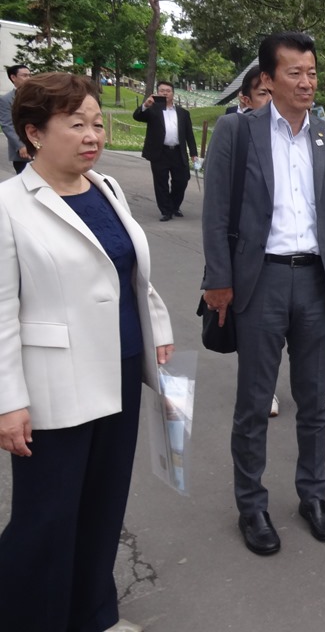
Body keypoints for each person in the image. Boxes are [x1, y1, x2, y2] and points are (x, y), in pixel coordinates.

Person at [0, 72, 174, 632]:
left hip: (119, 370)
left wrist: (157, 326)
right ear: (33, 133)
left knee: (104, 505)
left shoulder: (106, 188)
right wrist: (8, 402)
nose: (92, 135)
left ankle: (95, 616)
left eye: (97, 123)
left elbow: (129, 272)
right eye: (76, 124)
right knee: (46, 518)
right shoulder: (8, 205)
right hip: (53, 385)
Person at [202, 32, 325, 556]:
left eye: (312, 72)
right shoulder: (237, 131)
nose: (307, 82)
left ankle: (313, 496)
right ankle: (252, 505)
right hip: (260, 280)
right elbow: (216, 212)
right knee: (254, 402)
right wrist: (218, 280)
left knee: (313, 402)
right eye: (295, 73)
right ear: (267, 79)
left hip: (316, 281)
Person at [132, 81, 198, 221]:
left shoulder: (183, 113)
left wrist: (194, 154)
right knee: (161, 182)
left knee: (182, 180)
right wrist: (145, 105)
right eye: (162, 91)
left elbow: (189, 134)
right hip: (160, 152)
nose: (165, 93)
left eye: (168, 91)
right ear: (157, 93)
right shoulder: (152, 110)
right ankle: (166, 210)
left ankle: (174, 205)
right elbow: (137, 116)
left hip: (178, 152)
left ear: (173, 93)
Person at [0, 64, 32, 173]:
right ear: (13, 77)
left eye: (29, 75)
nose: (28, 78)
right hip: (24, 151)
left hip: (43, 149)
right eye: (24, 76)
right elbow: (7, 125)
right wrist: (20, 146)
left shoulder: (38, 95)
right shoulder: (6, 99)